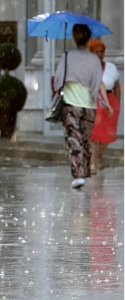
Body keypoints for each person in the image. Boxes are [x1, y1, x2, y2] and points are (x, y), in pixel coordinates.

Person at [52, 24, 103, 189]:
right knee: (85, 139)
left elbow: (59, 79)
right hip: (88, 104)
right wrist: (92, 97)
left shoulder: (66, 56)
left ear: (74, 38)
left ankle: (78, 174)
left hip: (71, 102)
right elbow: (96, 83)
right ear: (89, 39)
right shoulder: (94, 59)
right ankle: (86, 170)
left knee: (73, 138)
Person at [88, 38, 120, 172]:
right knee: (96, 133)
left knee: (109, 133)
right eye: (97, 52)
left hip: (110, 99)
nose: (100, 54)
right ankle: (93, 162)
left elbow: (117, 86)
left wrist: (117, 103)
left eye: (102, 52)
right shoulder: (88, 67)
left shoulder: (111, 67)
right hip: (95, 99)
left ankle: (97, 156)